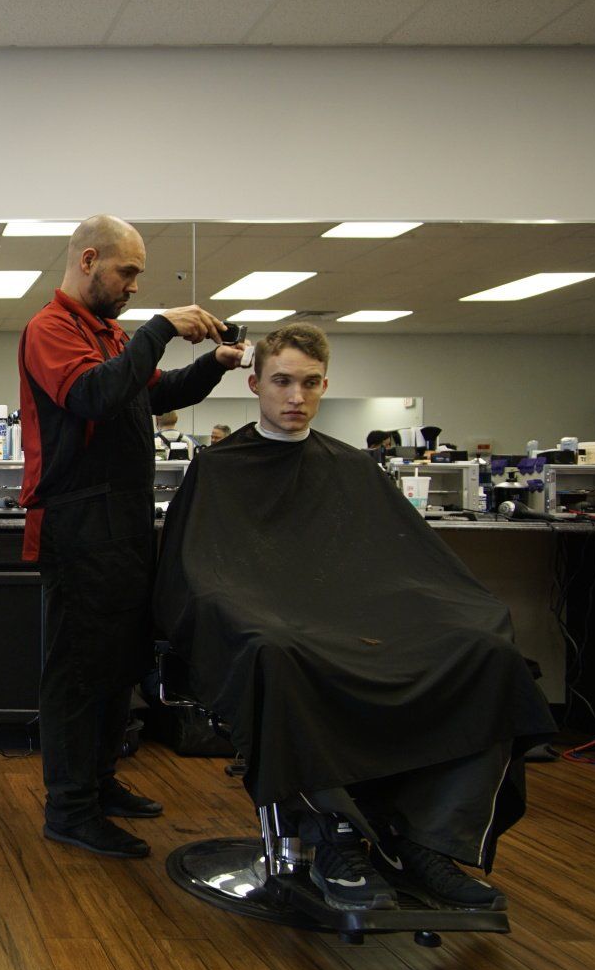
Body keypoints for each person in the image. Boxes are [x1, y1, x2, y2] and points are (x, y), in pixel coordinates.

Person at [156, 324, 552, 911]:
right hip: (271, 627)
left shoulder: (352, 468)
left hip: (354, 623)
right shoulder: (218, 468)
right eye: (282, 382)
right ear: (255, 383)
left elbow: (405, 564)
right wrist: (256, 613)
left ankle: (426, 843)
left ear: (324, 386)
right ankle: (333, 835)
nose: (296, 397)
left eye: (310, 383)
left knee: (484, 649)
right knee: (276, 653)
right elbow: (199, 577)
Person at [18, 216, 248, 859]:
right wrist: (160, 329)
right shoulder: (51, 329)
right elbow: (92, 397)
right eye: (128, 272)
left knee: (118, 666)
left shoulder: (111, 335)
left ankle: (98, 784)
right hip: (78, 518)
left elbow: (149, 395)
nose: (135, 286)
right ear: (89, 259)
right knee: (79, 674)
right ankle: (69, 809)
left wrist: (212, 366)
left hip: (122, 519)